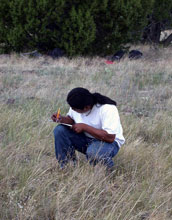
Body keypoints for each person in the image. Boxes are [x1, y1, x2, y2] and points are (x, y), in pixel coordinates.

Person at [51, 87, 125, 170]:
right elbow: (72, 120)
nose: (72, 109)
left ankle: (106, 172)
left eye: (74, 108)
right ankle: (67, 167)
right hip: (85, 138)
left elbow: (110, 137)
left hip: (107, 142)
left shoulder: (107, 109)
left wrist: (84, 127)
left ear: (86, 107)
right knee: (60, 130)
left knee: (94, 153)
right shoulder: (78, 104)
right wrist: (62, 119)